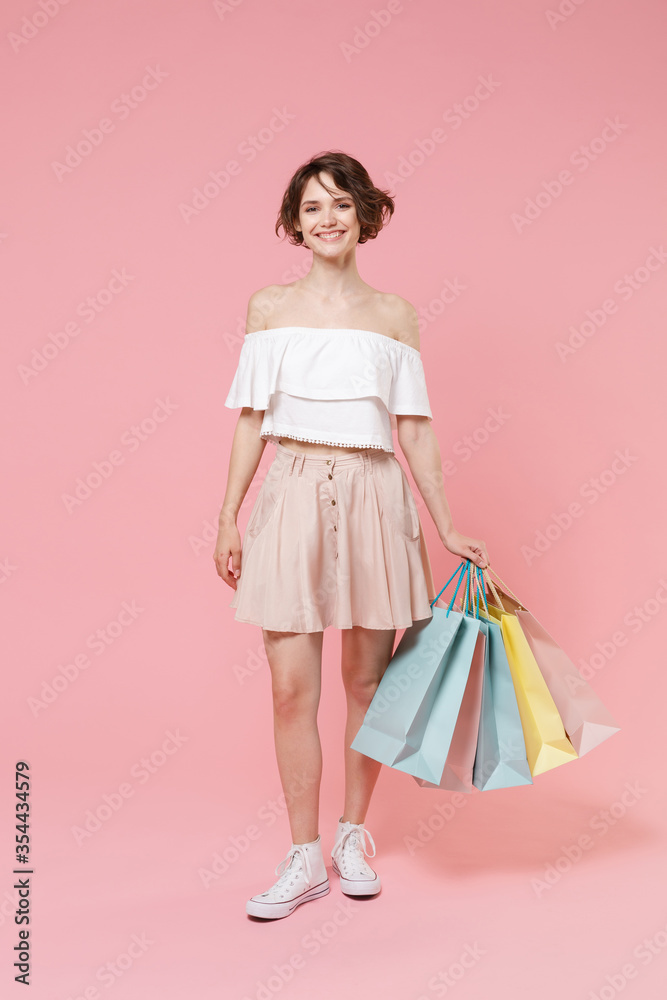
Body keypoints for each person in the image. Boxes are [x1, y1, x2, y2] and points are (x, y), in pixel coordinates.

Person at [214, 150, 490, 920]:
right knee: (289, 686)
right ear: (293, 225)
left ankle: (351, 835)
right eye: (310, 208)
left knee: (366, 682)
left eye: (339, 204)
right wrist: (227, 515)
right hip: (291, 487)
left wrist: (446, 524)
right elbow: (250, 419)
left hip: (375, 493)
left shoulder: (394, 315)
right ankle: (302, 855)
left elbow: (414, 430)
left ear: (364, 215)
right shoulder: (267, 307)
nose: (326, 218)